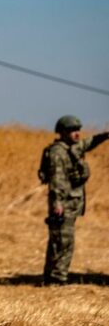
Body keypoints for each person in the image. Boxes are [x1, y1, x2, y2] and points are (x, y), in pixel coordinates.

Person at [40, 115, 109, 285]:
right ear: (62, 132)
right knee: (63, 242)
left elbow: (89, 142)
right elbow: (57, 180)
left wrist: (105, 135)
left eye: (78, 130)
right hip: (63, 204)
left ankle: (51, 277)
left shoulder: (74, 148)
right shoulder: (58, 152)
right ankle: (57, 278)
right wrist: (57, 203)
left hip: (70, 204)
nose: (77, 134)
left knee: (60, 241)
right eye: (72, 131)